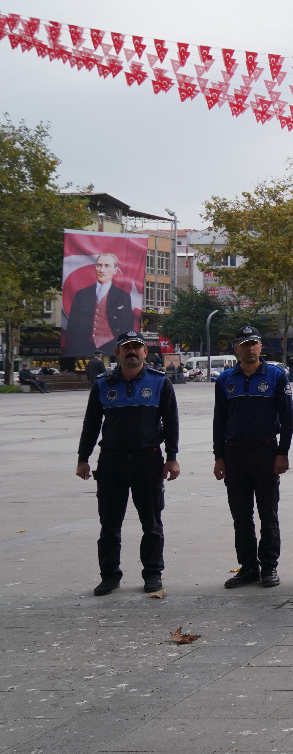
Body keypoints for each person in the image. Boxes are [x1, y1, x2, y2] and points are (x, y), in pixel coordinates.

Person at [76, 332, 180, 595]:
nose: (132, 352)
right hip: (112, 462)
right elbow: (91, 424)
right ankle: (110, 575)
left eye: (137, 347)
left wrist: (172, 458)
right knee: (109, 523)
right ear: (118, 353)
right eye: (127, 348)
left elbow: (171, 423)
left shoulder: (160, 383)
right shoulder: (102, 385)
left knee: (152, 522)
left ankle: (153, 573)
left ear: (145, 352)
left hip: (148, 461)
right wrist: (83, 459)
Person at [212, 326, 293, 588]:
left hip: (265, 451)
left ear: (260, 347)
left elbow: (288, 418)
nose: (250, 348)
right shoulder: (225, 379)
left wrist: (282, 453)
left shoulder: (276, 376)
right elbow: (219, 420)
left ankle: (269, 567)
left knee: (268, 513)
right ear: (236, 348)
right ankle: (248, 568)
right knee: (241, 515)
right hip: (234, 454)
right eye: (244, 344)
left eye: (254, 343)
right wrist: (219, 456)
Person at [65, 251, 135, 358]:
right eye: (99, 265)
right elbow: (72, 329)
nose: (102, 270)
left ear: (115, 270)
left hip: (112, 346)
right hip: (84, 347)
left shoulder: (123, 296)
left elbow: (127, 327)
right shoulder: (81, 294)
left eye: (107, 266)